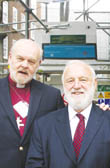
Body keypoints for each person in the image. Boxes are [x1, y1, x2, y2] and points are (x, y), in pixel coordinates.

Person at [25, 60, 110, 168]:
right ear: (64, 85)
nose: (76, 86)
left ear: (94, 83)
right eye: (70, 81)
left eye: (83, 80)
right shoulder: (43, 126)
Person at [0, 39, 65, 168]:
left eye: (31, 61)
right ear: (10, 58)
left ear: (38, 64)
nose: (25, 65)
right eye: (20, 59)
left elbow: (62, 137)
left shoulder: (51, 96)